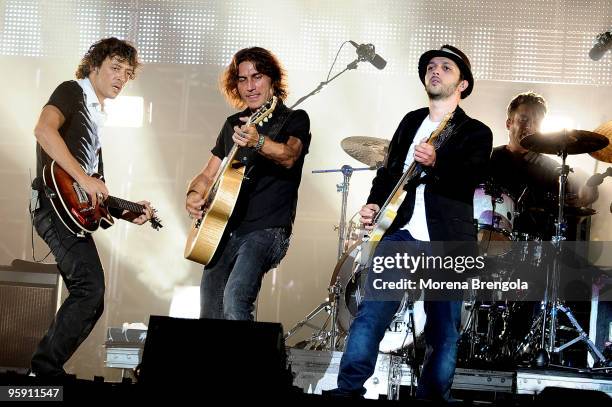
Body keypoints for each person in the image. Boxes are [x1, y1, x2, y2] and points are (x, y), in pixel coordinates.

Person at [330, 45, 493, 400]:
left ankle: (432, 398)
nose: (435, 71)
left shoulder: (475, 132)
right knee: (371, 312)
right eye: (431, 66)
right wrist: (374, 204)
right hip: (399, 232)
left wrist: (437, 163)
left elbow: (471, 178)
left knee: (442, 328)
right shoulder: (410, 121)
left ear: (462, 83)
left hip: (447, 238)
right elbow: (388, 173)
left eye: (446, 68)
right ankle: (347, 391)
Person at [30, 37, 154, 378]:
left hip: (68, 211)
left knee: (92, 295)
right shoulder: (72, 91)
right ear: (94, 66)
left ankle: (45, 368)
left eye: (127, 73)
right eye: (115, 68)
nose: (121, 78)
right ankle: (43, 371)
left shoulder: (95, 123)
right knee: (90, 288)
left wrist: (130, 210)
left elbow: (94, 194)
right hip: (51, 206)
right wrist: (85, 177)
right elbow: (43, 130)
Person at [185, 47, 311, 321]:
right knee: (209, 312)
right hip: (223, 229)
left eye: (257, 77)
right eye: (242, 79)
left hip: (268, 229)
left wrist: (259, 141)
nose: (250, 86)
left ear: (272, 80)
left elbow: (289, 156)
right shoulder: (232, 124)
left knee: (235, 299)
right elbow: (208, 174)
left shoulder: (293, 119)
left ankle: (244, 364)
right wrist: (194, 194)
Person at [487, 91, 598, 241]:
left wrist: (585, 194)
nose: (530, 127)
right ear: (509, 123)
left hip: (534, 251)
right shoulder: (488, 158)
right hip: (488, 241)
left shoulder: (552, 169)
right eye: (523, 119)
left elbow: (571, 214)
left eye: (536, 122)